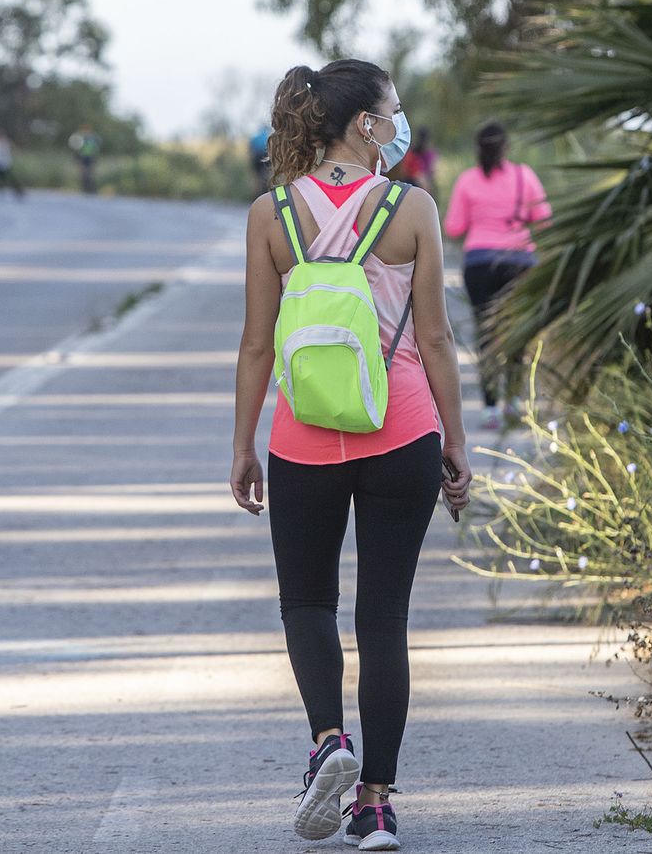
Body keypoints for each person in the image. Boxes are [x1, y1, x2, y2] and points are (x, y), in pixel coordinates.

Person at [231, 58, 472, 852]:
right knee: (385, 618)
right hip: (401, 429)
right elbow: (435, 337)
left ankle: (328, 741)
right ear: (365, 123)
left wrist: (243, 445)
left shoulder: (271, 213)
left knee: (306, 602)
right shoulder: (411, 210)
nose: (399, 126)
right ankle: (374, 805)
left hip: (303, 436)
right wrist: (456, 442)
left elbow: (258, 343)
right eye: (392, 112)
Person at [443, 121, 552, 430]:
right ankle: (514, 402)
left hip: (479, 264)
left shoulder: (467, 181)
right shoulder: (524, 176)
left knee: (486, 334)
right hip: (519, 262)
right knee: (518, 331)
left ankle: (490, 409)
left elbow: (453, 228)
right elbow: (544, 220)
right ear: (506, 147)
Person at [401, 127, 437, 196]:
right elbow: (419, 176)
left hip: (411, 188)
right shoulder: (427, 153)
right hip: (417, 187)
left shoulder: (411, 153)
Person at [0, 132, 26, 199]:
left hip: (6, 164)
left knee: (10, 179)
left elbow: (14, 150)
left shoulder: (7, 143)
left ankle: (18, 191)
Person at [69, 124, 101, 194]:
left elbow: (96, 149)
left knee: (90, 174)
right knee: (83, 174)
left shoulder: (94, 138)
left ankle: (91, 189)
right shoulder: (81, 138)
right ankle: (84, 189)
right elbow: (76, 148)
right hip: (82, 158)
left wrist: (95, 159)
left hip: (91, 158)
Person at [248, 123, 272, 196]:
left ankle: (256, 194)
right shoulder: (269, 137)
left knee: (257, 177)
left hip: (257, 157)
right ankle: (267, 192)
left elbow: (250, 151)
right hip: (266, 155)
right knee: (268, 175)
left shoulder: (255, 138)